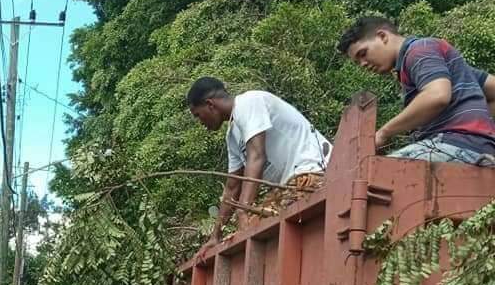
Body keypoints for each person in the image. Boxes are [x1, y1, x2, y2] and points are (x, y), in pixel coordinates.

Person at [186, 77, 332, 248]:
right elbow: (233, 187)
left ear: (210, 104)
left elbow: (257, 156)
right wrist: (216, 235)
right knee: (256, 225)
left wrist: (243, 210)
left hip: (312, 174)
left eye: (198, 115)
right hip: (287, 188)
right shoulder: (232, 136)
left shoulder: (249, 103)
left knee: (258, 226)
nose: (200, 122)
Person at [337, 16, 495, 164]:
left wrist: (383, 133)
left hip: (454, 144)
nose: (363, 64)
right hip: (476, 148)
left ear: (382, 36)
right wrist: (479, 122)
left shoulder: (419, 50)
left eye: (363, 54)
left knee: (371, 175)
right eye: (358, 62)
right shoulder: (442, 61)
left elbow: (437, 96)